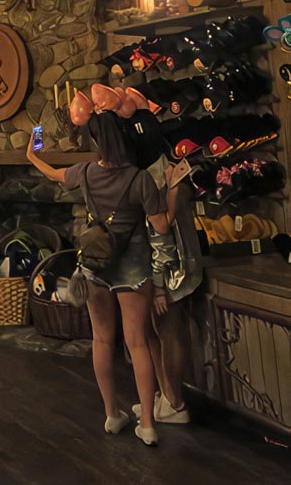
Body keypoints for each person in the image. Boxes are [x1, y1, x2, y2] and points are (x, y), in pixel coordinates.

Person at [27, 111, 174, 447]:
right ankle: (148, 425)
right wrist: (175, 196)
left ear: (96, 141)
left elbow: (50, 171)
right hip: (134, 268)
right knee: (137, 342)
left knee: (102, 340)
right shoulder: (140, 179)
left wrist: (34, 146)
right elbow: (162, 225)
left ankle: (112, 414)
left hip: (95, 266)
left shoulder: (86, 172)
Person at [133, 159, 201, 425]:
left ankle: (175, 402)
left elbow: (162, 237)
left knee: (167, 333)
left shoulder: (154, 180)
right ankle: (165, 395)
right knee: (155, 331)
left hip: (172, 272)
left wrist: (159, 286)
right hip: (169, 268)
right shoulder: (165, 170)